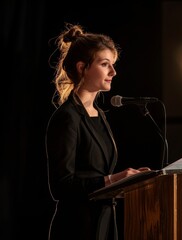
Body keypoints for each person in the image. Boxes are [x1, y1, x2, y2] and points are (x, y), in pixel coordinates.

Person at [45, 23, 151, 240]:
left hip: (104, 224)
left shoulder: (99, 114)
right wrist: (115, 179)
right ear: (82, 67)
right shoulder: (67, 118)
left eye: (112, 64)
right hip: (77, 227)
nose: (114, 72)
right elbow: (61, 187)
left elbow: (100, 175)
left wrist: (128, 182)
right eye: (105, 64)